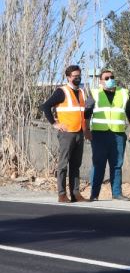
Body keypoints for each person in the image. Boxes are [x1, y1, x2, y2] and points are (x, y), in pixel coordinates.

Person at [85, 69, 130, 201]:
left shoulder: (124, 93)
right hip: (99, 135)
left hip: (118, 135)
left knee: (117, 164)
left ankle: (117, 193)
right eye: (106, 78)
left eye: (112, 77)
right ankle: (94, 194)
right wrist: (86, 130)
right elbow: (87, 113)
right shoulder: (95, 93)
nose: (110, 80)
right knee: (98, 164)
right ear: (101, 81)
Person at [41, 65, 89, 203]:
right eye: (75, 76)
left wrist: (86, 130)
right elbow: (45, 106)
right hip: (67, 133)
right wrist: (55, 124)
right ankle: (62, 194)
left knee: (76, 165)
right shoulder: (62, 91)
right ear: (68, 77)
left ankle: (75, 193)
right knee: (63, 164)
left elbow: (83, 112)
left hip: (79, 132)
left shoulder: (81, 92)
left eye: (79, 75)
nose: (78, 78)